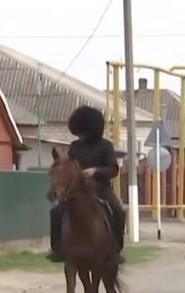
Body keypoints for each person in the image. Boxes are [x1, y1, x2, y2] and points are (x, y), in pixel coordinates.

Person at [46, 105, 126, 264]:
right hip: (77, 190)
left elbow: (113, 169)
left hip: (100, 188)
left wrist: (95, 171)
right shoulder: (75, 147)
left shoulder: (105, 146)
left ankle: (115, 249)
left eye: (82, 131)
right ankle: (57, 248)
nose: (79, 135)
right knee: (56, 210)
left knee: (118, 210)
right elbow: (68, 165)